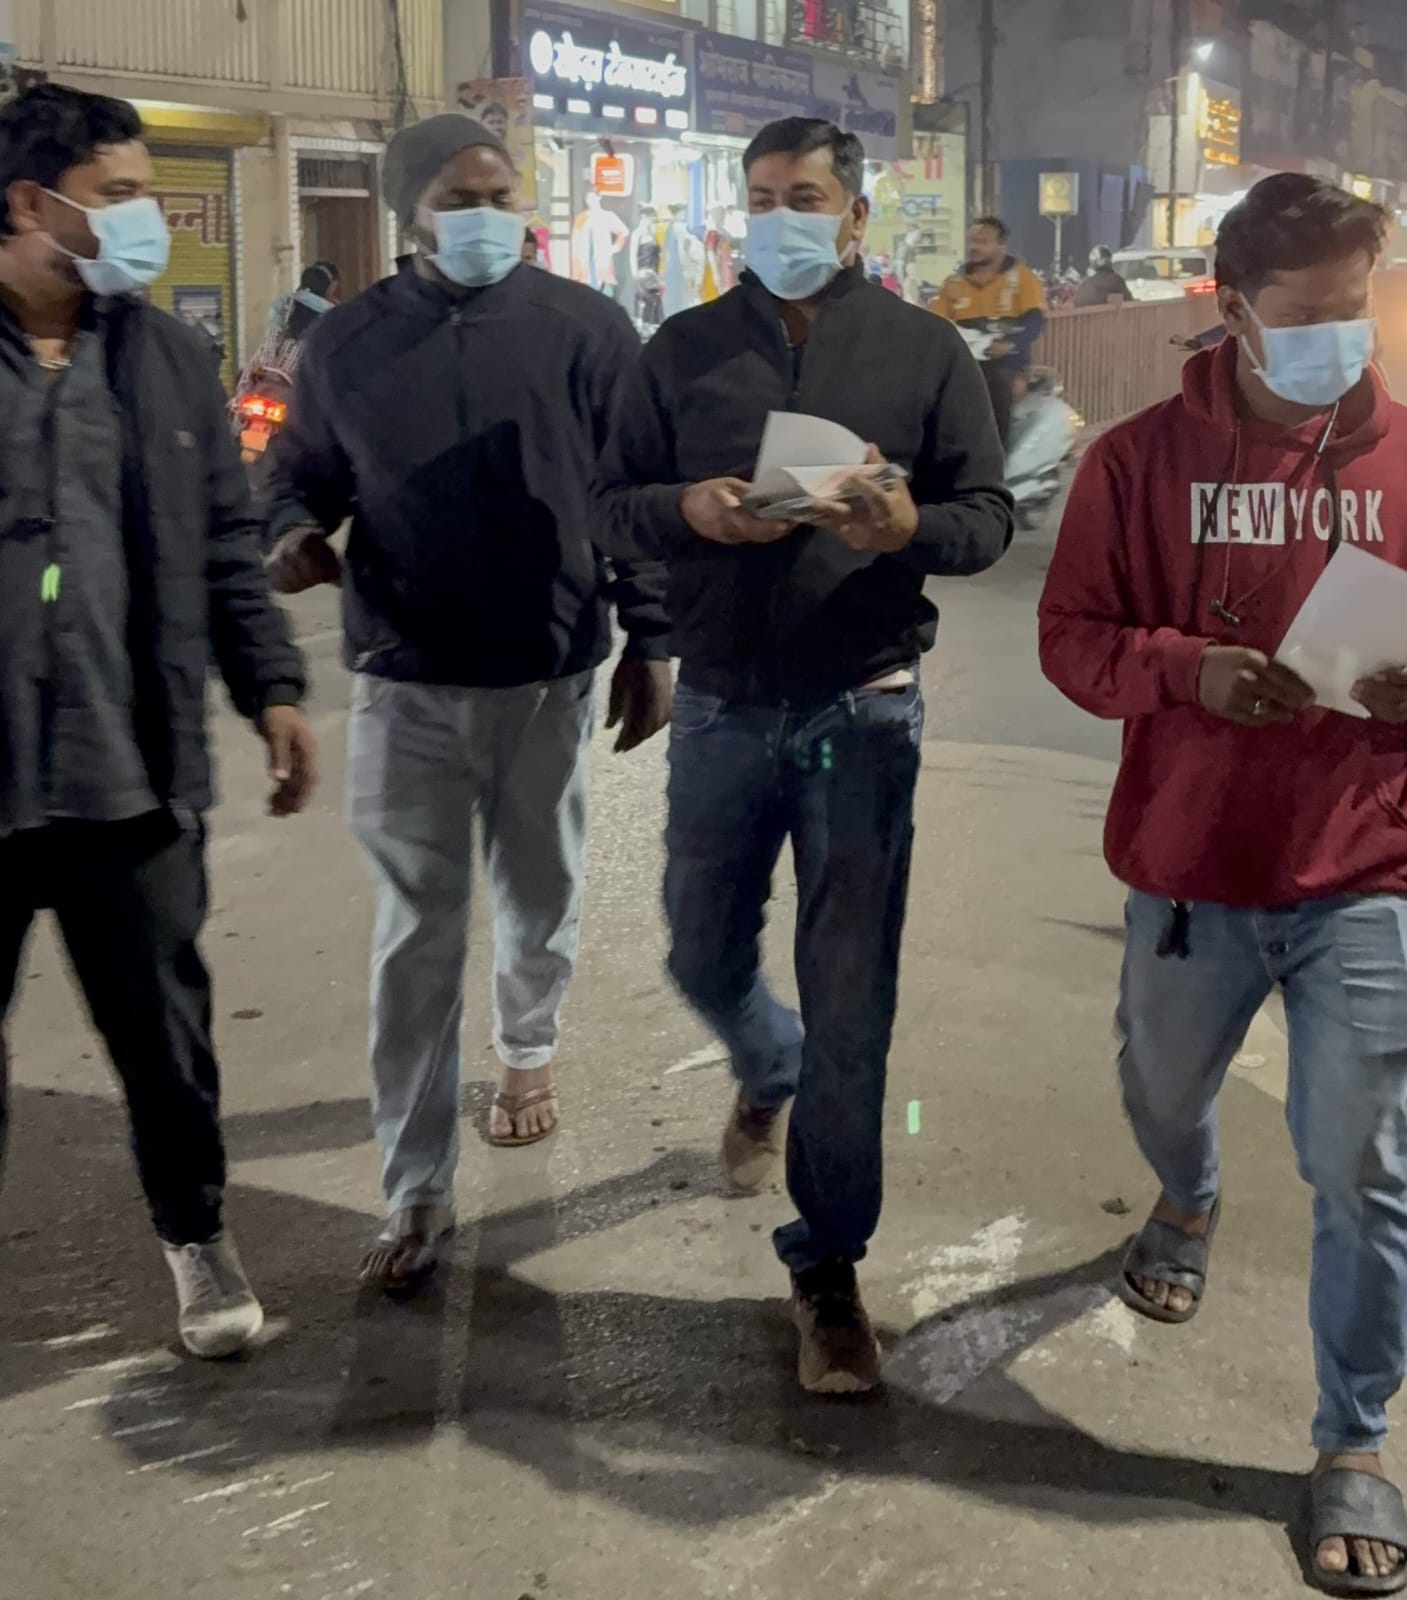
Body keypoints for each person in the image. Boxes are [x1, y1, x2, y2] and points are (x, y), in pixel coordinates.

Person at [595, 116, 1012, 1395]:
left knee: (851, 1003)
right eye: (764, 196)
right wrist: (691, 509)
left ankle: (828, 1265)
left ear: (856, 215)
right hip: (723, 710)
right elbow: (612, 503)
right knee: (697, 948)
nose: (783, 218)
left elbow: (987, 519)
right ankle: (762, 1063)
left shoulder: (925, 350)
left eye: (809, 196)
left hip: (862, 715)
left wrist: (906, 528)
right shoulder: (681, 350)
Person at [1039, 173, 1407, 1595]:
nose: (1336, 341)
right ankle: (1184, 1196)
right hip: (1190, 866)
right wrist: (1189, 673)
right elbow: (1071, 638)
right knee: (1161, 1088)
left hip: (1365, 868)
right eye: (1303, 317)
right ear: (1232, 308)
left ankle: (1353, 1436)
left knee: (1363, 1164)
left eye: (1354, 309)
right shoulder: (1135, 464)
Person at [264, 116, 672, 1295]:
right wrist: (289, 534)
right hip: (404, 676)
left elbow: (632, 490)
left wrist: (650, 636)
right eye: (464, 196)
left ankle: (527, 1046)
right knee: (416, 935)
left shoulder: (586, 329)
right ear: (412, 214)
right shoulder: (346, 343)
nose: (492, 215)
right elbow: (297, 476)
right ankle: (416, 1186)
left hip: (548, 670)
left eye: (504, 193)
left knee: (540, 885)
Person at [0, 86, 317, 1357]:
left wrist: (273, 687)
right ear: (32, 202)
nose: (146, 217)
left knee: (166, 1042)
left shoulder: (170, 361)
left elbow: (226, 545)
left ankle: (197, 1235)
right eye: (120, 193)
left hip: (128, 773)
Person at [931, 215, 1046, 447]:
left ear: (1001, 247)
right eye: (972, 240)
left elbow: (1035, 321)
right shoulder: (954, 283)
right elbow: (937, 323)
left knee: (995, 387)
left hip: (1007, 364)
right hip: (963, 362)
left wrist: (1008, 344)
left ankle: (996, 458)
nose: (974, 246)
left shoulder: (1021, 278)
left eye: (983, 241)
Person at [234, 259, 340, 398]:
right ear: (327, 288)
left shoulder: (285, 302)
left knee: (238, 403)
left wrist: (266, 369)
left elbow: (271, 340)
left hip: (264, 375)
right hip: (296, 386)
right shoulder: (333, 314)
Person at [1074, 244, 1131, 308]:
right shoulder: (1116, 280)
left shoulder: (1084, 284)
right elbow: (1130, 301)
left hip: (1084, 314)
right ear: (1108, 260)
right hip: (1107, 314)